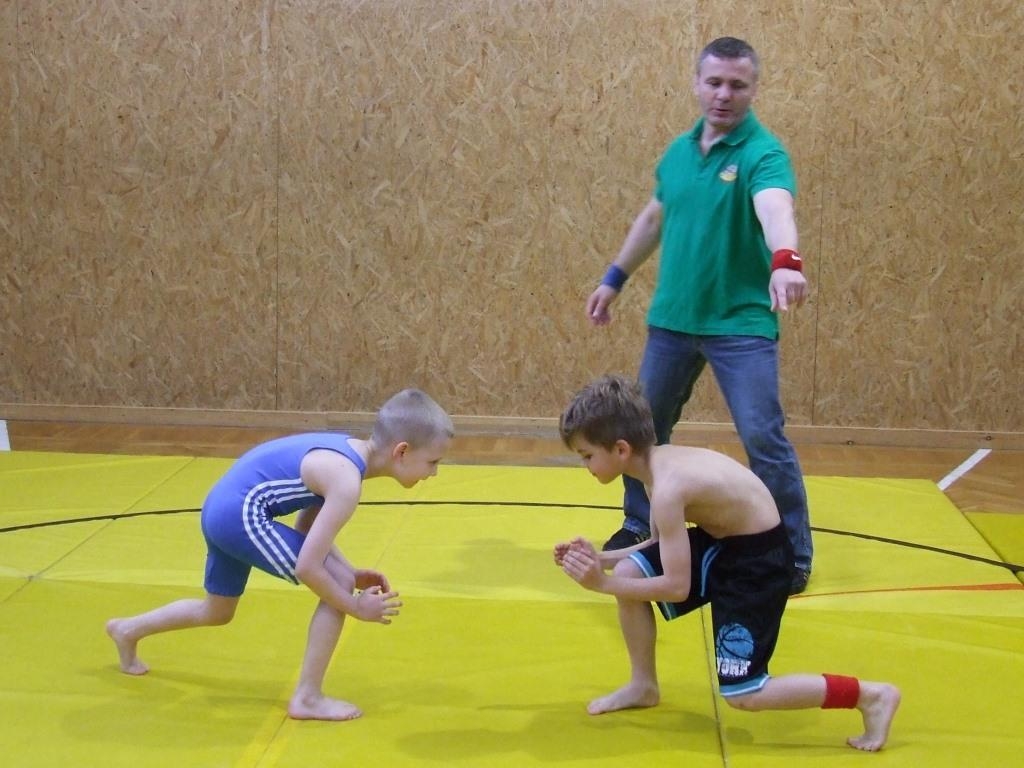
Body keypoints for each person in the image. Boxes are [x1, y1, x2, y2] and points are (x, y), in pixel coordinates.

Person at [553, 375, 899, 751]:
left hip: (760, 563)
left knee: (745, 693)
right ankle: (643, 685)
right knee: (629, 571)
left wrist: (600, 583)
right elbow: (658, 544)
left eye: (587, 455)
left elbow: (676, 587)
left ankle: (870, 695)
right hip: (725, 542)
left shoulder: (668, 488)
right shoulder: (656, 467)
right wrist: (600, 559)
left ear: (620, 449)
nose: (585, 465)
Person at [584, 36, 813, 594]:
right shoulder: (679, 153)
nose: (724, 94)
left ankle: (791, 553)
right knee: (640, 432)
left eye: (737, 85)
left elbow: (775, 208)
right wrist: (614, 277)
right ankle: (640, 525)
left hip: (741, 324)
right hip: (673, 321)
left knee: (764, 438)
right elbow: (654, 218)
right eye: (714, 82)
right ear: (697, 84)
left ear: (753, 89)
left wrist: (786, 261)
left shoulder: (763, 154)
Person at [106, 388, 454, 721]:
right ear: (401, 451)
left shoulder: (346, 454)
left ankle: (127, 629)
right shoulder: (346, 481)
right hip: (239, 515)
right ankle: (308, 697)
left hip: (224, 507)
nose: (434, 473)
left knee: (217, 610)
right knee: (336, 583)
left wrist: (349, 569)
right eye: (433, 462)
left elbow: (306, 528)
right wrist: (356, 607)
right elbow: (307, 568)